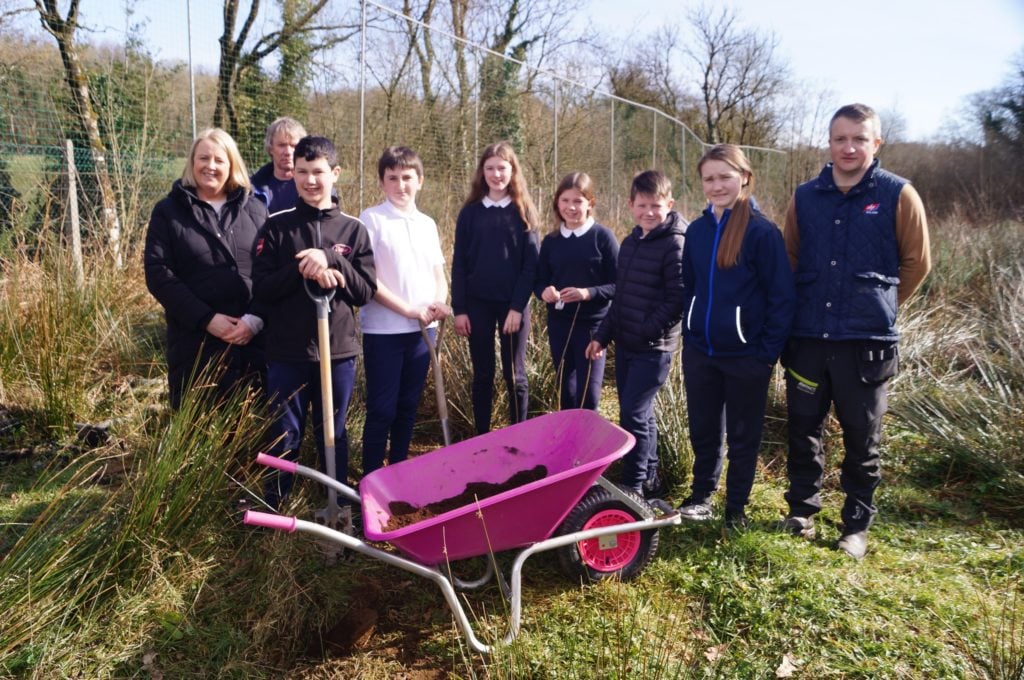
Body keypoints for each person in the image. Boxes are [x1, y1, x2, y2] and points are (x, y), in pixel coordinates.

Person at [780, 103, 931, 559]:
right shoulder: (805, 196)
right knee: (803, 428)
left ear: (876, 143)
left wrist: (878, 307)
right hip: (807, 339)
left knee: (862, 438)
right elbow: (790, 257)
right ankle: (802, 510)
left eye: (859, 139)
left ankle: (855, 527)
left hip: (865, 346)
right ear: (829, 142)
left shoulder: (898, 194)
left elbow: (917, 263)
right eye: (840, 138)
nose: (849, 147)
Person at [675, 144, 796, 530]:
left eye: (725, 176)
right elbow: (690, 287)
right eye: (709, 178)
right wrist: (692, 336)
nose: (717, 185)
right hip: (701, 353)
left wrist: (765, 355)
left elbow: (782, 298)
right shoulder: (695, 231)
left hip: (747, 358)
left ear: (744, 176)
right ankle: (701, 496)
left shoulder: (762, 232)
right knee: (704, 429)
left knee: (744, 436)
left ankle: (736, 509)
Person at [252, 136, 376, 508]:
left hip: (337, 352)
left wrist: (331, 259)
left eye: (318, 172)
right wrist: (303, 268)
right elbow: (261, 288)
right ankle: (277, 503)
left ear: (335, 174)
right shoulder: (276, 228)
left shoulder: (354, 231)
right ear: (293, 175)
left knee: (333, 432)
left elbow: (364, 291)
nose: (310, 180)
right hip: (287, 351)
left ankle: (336, 503)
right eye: (302, 172)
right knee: (283, 431)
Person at [144, 127, 267, 409]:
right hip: (194, 343)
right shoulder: (169, 211)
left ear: (231, 164)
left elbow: (270, 272)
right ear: (192, 162)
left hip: (252, 343)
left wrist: (255, 319)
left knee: (253, 432)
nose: (210, 166)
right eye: (203, 158)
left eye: (219, 160)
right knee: (198, 429)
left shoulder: (257, 210)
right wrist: (207, 319)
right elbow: (158, 273)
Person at [586, 170, 686, 499]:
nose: (649, 212)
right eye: (642, 205)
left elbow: (677, 298)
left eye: (656, 206)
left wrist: (646, 330)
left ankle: (634, 484)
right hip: (627, 344)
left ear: (669, 204)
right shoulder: (629, 243)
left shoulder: (675, 243)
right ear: (631, 205)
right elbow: (622, 297)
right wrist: (602, 335)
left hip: (654, 348)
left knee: (633, 412)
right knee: (639, 413)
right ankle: (651, 474)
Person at [359, 146, 449, 475]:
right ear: (382, 182)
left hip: (423, 331)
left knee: (408, 406)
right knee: (382, 408)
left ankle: (398, 473)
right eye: (392, 178)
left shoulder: (427, 224)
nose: (401, 185)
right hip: (384, 331)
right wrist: (408, 309)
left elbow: (438, 274)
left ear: (420, 181)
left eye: (407, 178)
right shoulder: (371, 220)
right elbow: (370, 280)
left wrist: (438, 301)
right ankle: (370, 478)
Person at [450, 141, 540, 434]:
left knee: (515, 375)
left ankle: (519, 434)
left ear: (512, 170)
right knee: (483, 375)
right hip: (477, 306)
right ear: (482, 172)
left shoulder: (523, 211)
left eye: (502, 168)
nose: (496, 174)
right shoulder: (470, 213)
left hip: (512, 307)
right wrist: (460, 309)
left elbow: (531, 266)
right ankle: (482, 436)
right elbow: (459, 264)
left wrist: (517, 307)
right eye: (489, 168)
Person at [534, 172, 618, 410]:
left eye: (578, 201)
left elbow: (620, 284)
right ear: (557, 203)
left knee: (589, 396)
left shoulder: (603, 237)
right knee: (566, 392)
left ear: (590, 203)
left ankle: (590, 445)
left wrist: (588, 293)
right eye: (565, 201)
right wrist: (544, 292)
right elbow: (539, 280)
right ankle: (569, 444)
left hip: (593, 327)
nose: (571, 207)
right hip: (559, 323)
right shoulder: (551, 240)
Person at [250, 116, 307, 213]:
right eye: (282, 145)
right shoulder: (252, 189)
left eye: (294, 146)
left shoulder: (316, 187)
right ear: (270, 148)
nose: (288, 152)